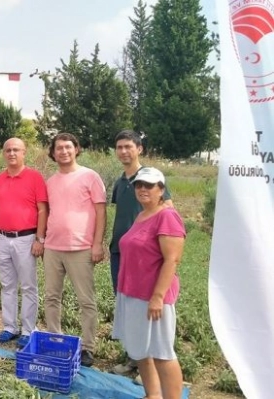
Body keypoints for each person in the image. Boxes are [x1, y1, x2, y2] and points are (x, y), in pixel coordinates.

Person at [112, 167, 185, 399]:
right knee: (141, 350)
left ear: (161, 190)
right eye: (139, 185)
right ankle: (152, 395)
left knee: (162, 352)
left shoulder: (167, 216)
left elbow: (172, 260)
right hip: (132, 293)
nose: (143, 189)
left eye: (149, 185)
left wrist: (158, 297)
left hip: (152, 297)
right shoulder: (143, 214)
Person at [110, 129, 173, 375]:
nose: (124, 151)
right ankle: (134, 358)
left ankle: (151, 361)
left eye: (129, 146)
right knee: (127, 306)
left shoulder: (150, 179)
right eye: (119, 147)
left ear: (139, 149)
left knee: (146, 306)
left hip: (144, 256)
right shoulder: (120, 182)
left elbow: (168, 213)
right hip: (120, 251)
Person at [43, 133, 106, 367]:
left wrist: (97, 243)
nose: (64, 151)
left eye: (68, 147)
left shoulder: (90, 176)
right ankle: (54, 338)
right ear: (53, 152)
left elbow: (101, 212)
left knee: (86, 300)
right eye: (59, 148)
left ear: (76, 149)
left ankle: (88, 347)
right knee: (51, 297)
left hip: (80, 248)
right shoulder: (50, 181)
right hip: (53, 247)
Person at [0, 137, 48, 348]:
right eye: (8, 150)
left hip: (26, 238)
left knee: (29, 286)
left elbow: (42, 209)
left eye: (16, 150)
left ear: (24, 153)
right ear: (4, 153)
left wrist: (40, 239)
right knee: (7, 285)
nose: (12, 153)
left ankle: (29, 329)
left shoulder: (35, 177)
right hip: (3, 237)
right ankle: (9, 327)